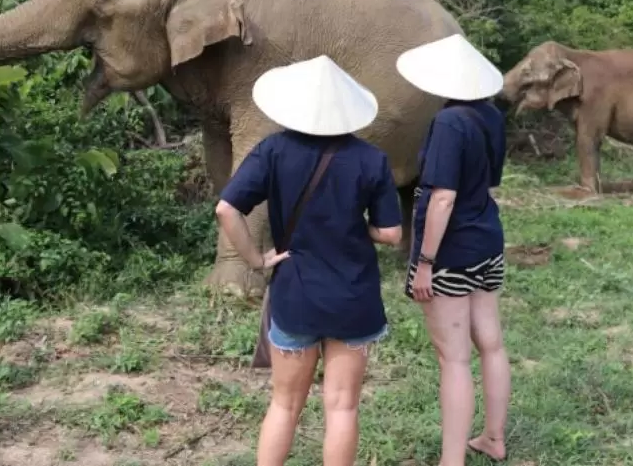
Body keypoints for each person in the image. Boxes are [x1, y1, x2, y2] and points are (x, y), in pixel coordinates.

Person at [214, 55, 403, 466]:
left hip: (295, 294)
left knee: (284, 405)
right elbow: (391, 234)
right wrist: (359, 227)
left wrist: (256, 259)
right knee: (343, 408)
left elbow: (227, 210)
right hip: (354, 298)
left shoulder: (273, 151)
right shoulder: (372, 160)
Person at [395, 33, 511, 465]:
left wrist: (424, 262)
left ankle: (451, 460)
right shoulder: (491, 116)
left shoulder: (448, 123)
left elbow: (442, 197)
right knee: (492, 343)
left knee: (455, 358)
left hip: (452, 249)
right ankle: (493, 438)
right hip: (487, 239)